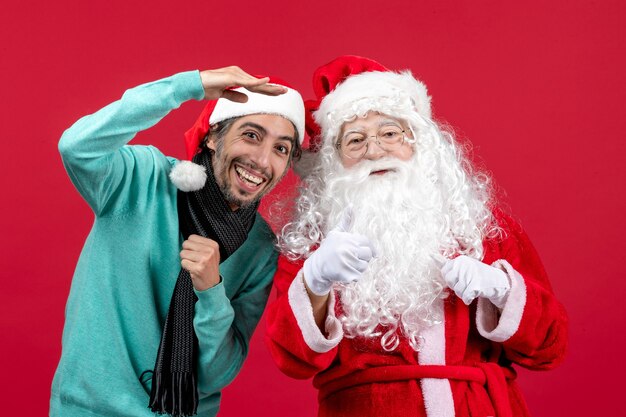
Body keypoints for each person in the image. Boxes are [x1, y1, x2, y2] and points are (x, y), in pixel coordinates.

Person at [265, 56, 568, 417]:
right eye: (355, 140)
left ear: (420, 141)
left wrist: (501, 290)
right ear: (334, 160)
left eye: (390, 133)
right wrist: (315, 280)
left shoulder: (480, 224)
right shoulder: (314, 242)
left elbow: (550, 347)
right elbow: (293, 361)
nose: (374, 151)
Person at [51, 66, 305, 417]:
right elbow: (77, 147)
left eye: (280, 148)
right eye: (250, 135)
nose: (262, 160)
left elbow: (217, 374)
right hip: (91, 409)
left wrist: (212, 290)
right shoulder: (142, 178)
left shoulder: (261, 247)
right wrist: (189, 86)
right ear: (214, 137)